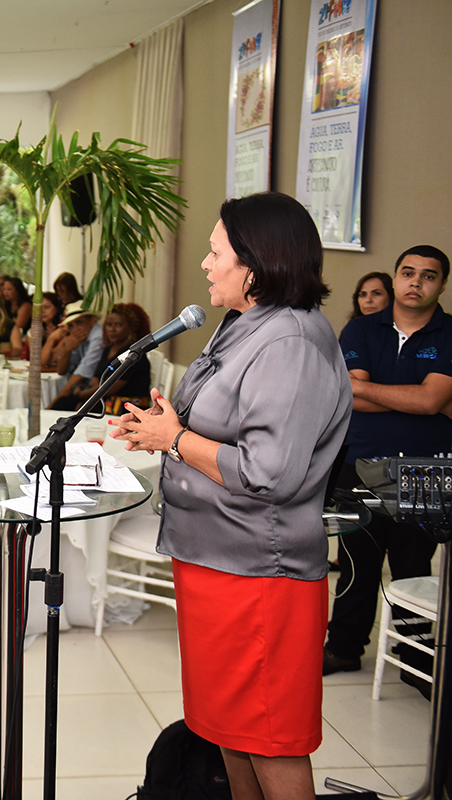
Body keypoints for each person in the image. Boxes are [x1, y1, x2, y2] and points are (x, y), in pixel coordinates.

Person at [111, 192, 351, 800]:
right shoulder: (245, 324)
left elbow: (271, 472)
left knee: (270, 739)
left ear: (255, 263)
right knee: (229, 731)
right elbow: (221, 427)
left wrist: (178, 437)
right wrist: (164, 429)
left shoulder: (290, 342)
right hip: (215, 562)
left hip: (258, 574)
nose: (206, 264)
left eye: (215, 252)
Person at [323, 245, 452, 696]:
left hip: (425, 471)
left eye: (429, 276)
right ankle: (343, 647)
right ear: (396, 278)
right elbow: (348, 395)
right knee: (357, 564)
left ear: (441, 284)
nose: (416, 282)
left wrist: (371, 390)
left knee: (413, 567)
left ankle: (415, 660)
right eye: (408, 273)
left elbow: (431, 400)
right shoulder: (360, 327)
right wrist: (413, 397)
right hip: (363, 463)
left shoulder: (450, 334)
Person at [51, 302, 151, 412]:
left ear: (131, 327)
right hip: (105, 399)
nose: (112, 330)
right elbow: (96, 380)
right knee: (64, 403)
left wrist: (80, 395)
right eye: (109, 325)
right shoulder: (108, 348)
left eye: (118, 325)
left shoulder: (134, 354)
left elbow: (109, 388)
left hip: (125, 406)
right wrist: (79, 389)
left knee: (68, 405)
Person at [45, 301, 105, 402]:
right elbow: (61, 371)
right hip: (84, 388)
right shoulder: (79, 338)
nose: (75, 329)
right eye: (71, 326)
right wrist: (67, 349)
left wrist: (53, 404)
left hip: (99, 391)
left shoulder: (99, 336)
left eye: (79, 323)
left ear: (92, 320)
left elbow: (81, 374)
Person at [27, 294, 67, 370]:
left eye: (47, 307)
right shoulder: (35, 330)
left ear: (57, 308)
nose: (42, 311)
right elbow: (36, 360)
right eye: (39, 308)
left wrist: (51, 339)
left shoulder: (64, 328)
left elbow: (44, 361)